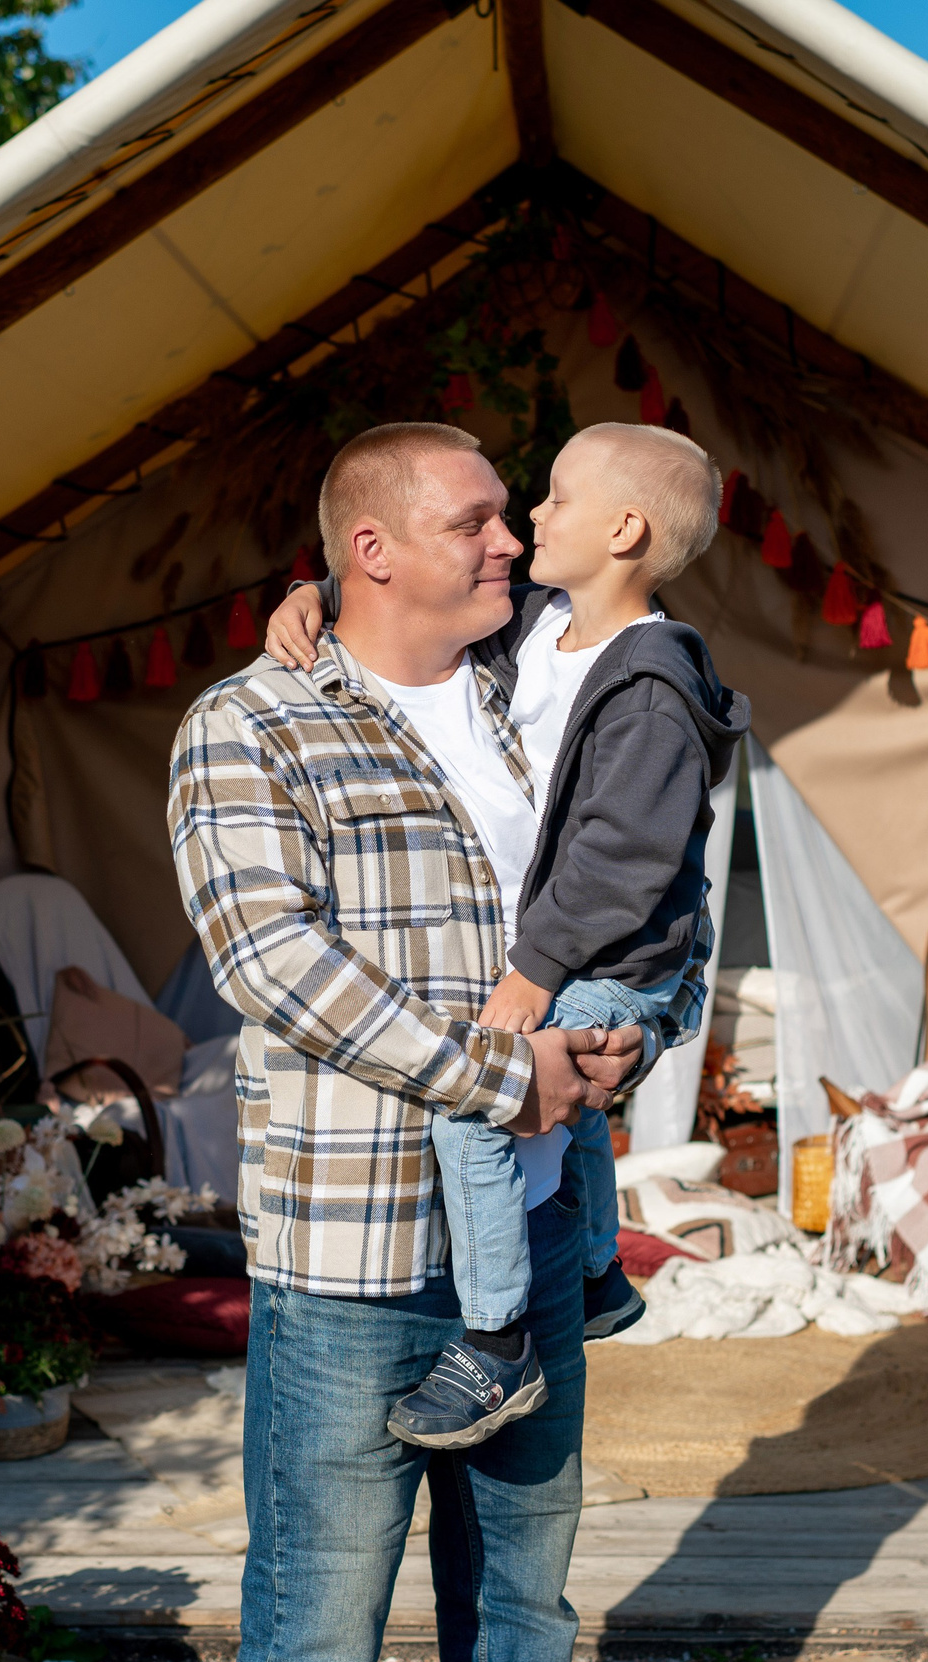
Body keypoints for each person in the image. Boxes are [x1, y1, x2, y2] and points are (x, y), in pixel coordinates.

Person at [168, 421, 708, 1662]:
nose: (509, 538)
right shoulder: (252, 723)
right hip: (356, 1261)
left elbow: (659, 892)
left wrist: (639, 1031)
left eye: (512, 515)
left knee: (524, 1622)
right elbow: (272, 962)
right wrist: (509, 1077)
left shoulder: (545, 693)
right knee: (316, 1643)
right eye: (473, 522)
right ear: (372, 550)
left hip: (535, 1241)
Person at [266, 422, 748, 1447]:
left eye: (555, 498)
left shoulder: (652, 682)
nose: (528, 523)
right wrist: (316, 594)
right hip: (582, 954)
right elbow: (391, 593)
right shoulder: (536, 629)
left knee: (479, 1112)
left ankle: (495, 1341)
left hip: (611, 955)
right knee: (571, 1109)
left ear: (623, 530)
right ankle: (599, 1269)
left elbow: (626, 856)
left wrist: (534, 973)